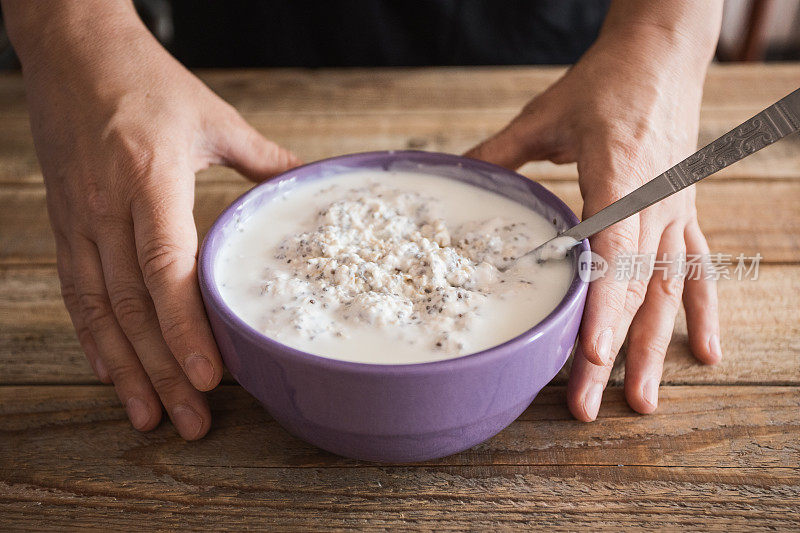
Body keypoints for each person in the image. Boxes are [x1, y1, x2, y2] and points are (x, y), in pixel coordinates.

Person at [1, 0, 723, 440]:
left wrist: (665, 37)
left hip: (547, 40)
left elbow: (668, 33)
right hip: (241, 53)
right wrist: (72, 27)